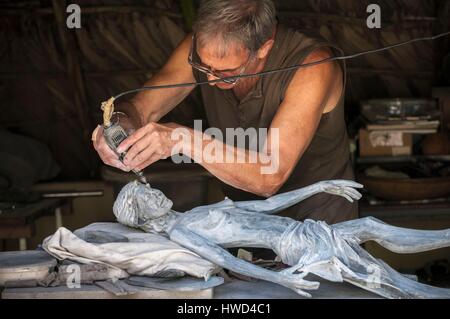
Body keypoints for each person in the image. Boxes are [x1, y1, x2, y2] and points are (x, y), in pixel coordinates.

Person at [93, 0, 356, 224]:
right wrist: (119, 125)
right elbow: (141, 108)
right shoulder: (205, 51)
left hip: (320, 233)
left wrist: (183, 139)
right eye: (203, 66)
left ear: (264, 48)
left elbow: (270, 175)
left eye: (226, 73)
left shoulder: (313, 67)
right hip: (247, 226)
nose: (209, 79)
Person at [113, 179, 450, 299]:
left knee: (372, 225)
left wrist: (317, 186)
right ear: (141, 215)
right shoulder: (180, 231)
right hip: (300, 245)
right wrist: (279, 278)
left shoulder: (194, 212)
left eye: (151, 189)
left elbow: (266, 204)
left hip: (303, 229)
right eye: (147, 197)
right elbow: (225, 260)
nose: (155, 193)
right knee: (390, 283)